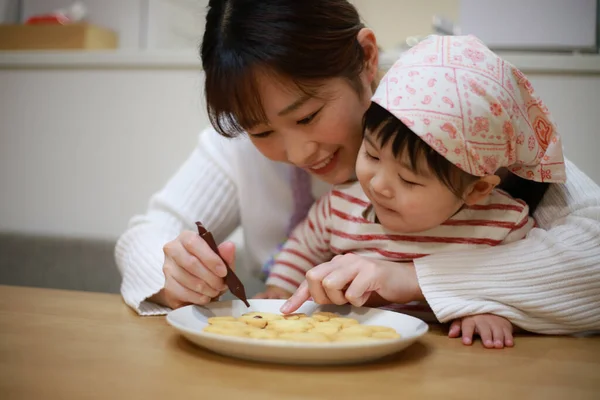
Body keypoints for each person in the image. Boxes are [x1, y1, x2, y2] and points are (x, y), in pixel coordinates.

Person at [115, 0, 600, 341]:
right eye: (261, 131)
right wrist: (169, 269)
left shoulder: (456, 126)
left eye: (307, 116)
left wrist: (410, 278)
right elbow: (143, 234)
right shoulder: (240, 153)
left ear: (366, 58)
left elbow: (592, 253)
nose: (300, 151)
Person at [261, 35, 565, 348]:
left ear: (476, 189)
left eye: (408, 179)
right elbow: (302, 246)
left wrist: (493, 310)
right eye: (372, 155)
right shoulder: (342, 205)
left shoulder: (502, 223)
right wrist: (279, 287)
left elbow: (524, 282)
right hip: (349, 346)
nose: (378, 185)